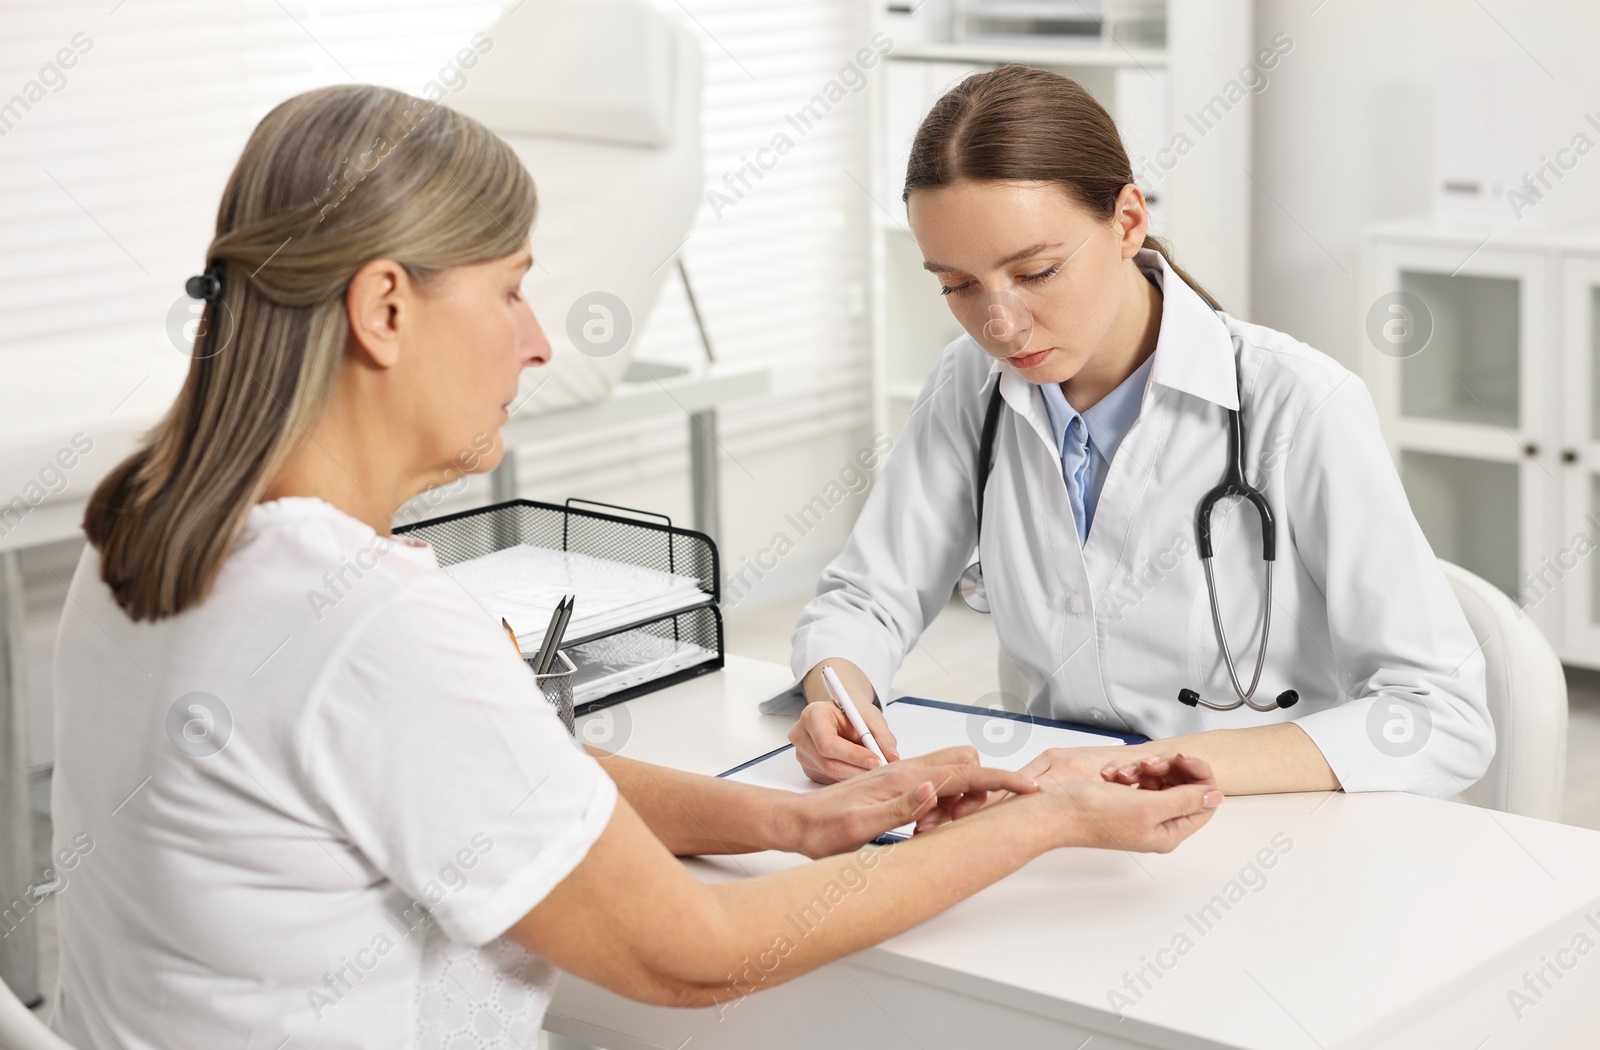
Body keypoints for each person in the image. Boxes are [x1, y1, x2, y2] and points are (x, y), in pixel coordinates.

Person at [48, 84, 1222, 1049]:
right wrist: (1044, 823)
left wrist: (796, 820)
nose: (539, 337)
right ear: (385, 309)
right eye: (508, 288)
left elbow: (511, 786)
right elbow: (693, 958)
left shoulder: (147, 536)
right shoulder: (364, 621)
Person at [784, 65, 1493, 800]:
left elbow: (1438, 715)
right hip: (1054, 827)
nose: (999, 323)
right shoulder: (971, 385)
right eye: (957, 285)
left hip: (1262, 831)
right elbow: (866, 598)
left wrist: (1148, 771)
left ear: (1127, 221)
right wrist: (840, 695)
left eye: (1036, 271)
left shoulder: (1299, 405)